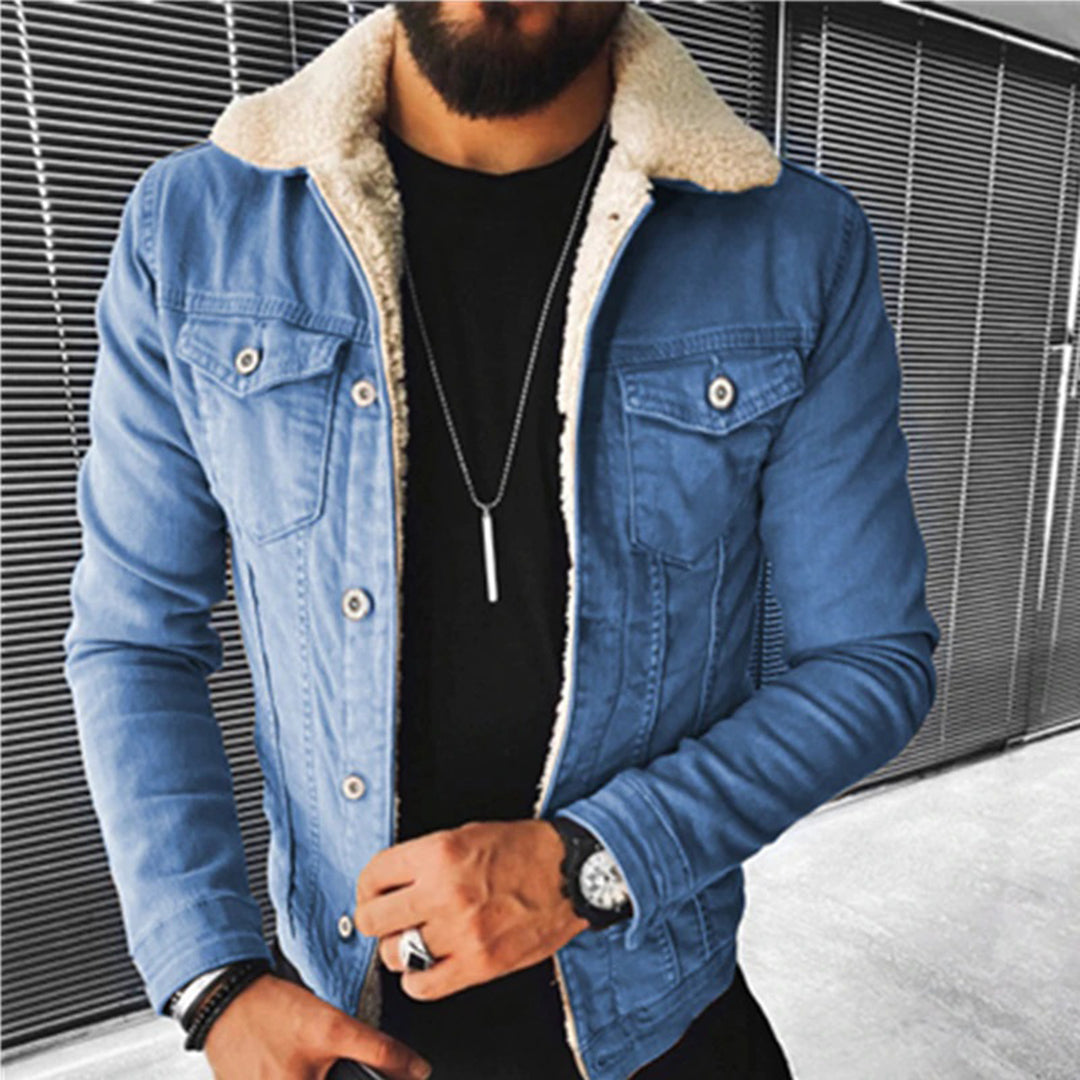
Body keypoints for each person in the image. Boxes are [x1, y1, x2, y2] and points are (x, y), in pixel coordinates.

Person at [63, 2, 940, 1079]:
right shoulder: (195, 227)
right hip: (340, 1025)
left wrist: (591, 865)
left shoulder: (793, 244)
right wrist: (213, 980)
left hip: (664, 1018)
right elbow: (134, 638)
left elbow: (870, 660)